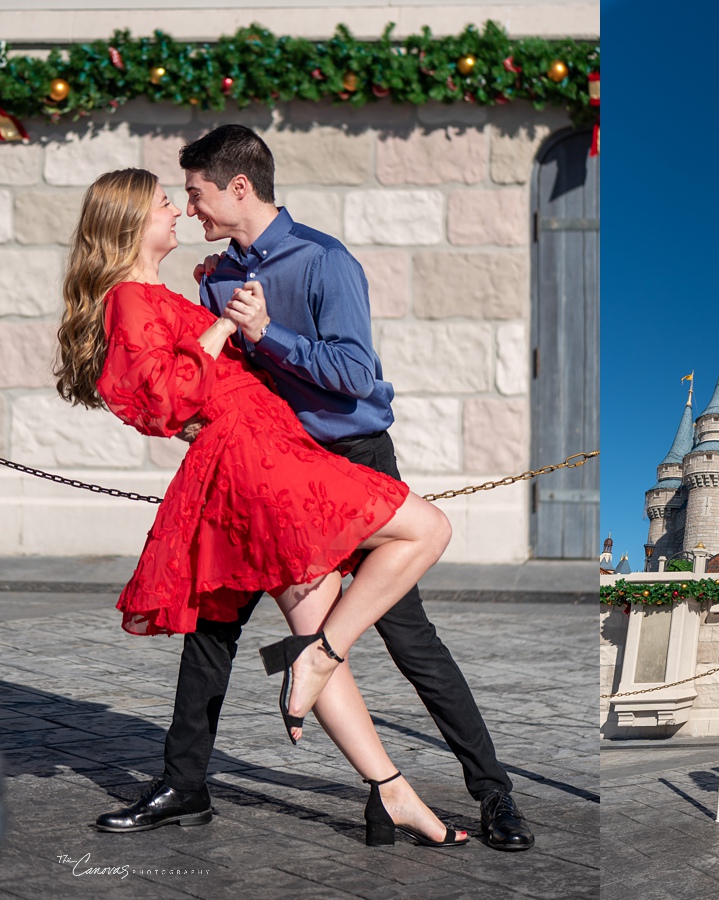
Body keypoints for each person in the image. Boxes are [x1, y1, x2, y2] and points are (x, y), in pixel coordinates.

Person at [90, 125, 534, 851]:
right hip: (268, 470)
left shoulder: (324, 260)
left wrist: (268, 333)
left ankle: (494, 794)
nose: (190, 208)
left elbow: (358, 378)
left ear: (239, 187)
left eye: (196, 193)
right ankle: (191, 780)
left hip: (352, 457)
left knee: (409, 638)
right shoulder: (212, 276)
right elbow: (186, 377)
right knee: (213, 628)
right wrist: (204, 423)